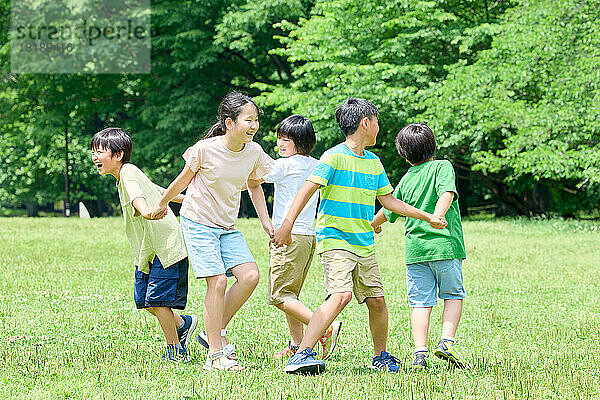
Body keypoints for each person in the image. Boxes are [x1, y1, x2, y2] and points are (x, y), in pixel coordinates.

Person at [272, 98, 447, 375]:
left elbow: (388, 201)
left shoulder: (374, 163)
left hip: (364, 243)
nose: (379, 127)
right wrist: (286, 225)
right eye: (376, 121)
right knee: (340, 295)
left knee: (377, 300)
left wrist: (427, 216)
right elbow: (306, 191)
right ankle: (302, 352)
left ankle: (380, 356)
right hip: (336, 239)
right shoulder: (333, 157)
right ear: (365, 122)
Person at [152, 92, 274, 371]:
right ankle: (216, 356)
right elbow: (182, 180)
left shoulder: (254, 151)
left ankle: (211, 332)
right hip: (198, 221)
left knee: (250, 276)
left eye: (256, 120)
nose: (254, 126)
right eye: (248, 120)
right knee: (217, 282)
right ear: (229, 123)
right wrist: (161, 204)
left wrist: (266, 223)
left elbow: (255, 184)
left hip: (227, 226)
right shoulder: (205, 149)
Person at [90, 127, 197, 362]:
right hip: (147, 249)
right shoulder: (125, 177)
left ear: (118, 155)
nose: (94, 157)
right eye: (93, 152)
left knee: (157, 301)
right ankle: (182, 324)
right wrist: (189, 199)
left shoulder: (128, 172)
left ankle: (176, 351)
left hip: (164, 245)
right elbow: (158, 190)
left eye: (99, 152)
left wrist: (147, 212)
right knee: (144, 300)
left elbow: (140, 197)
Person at [371, 123, 468, 369]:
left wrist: (373, 223)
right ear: (433, 145)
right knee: (453, 296)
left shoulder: (407, 179)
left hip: (416, 252)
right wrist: (437, 216)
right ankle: (446, 343)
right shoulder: (442, 166)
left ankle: (420, 353)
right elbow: (447, 192)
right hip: (444, 247)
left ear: (404, 153)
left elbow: (390, 207)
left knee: (420, 303)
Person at [261, 115, 342, 360]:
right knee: (291, 294)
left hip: (288, 236)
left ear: (301, 142)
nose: (280, 144)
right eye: (279, 138)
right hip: (308, 237)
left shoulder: (283, 165)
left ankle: (323, 327)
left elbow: (252, 180)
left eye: (286, 140)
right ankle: (297, 345)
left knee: (279, 296)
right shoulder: (317, 165)